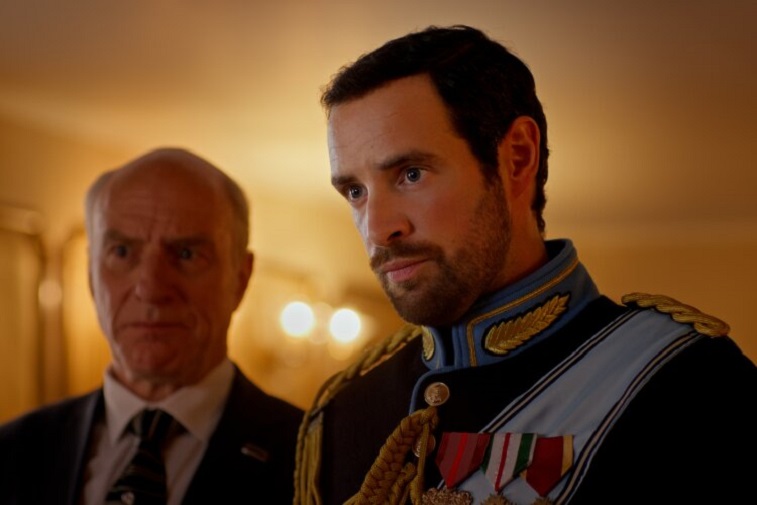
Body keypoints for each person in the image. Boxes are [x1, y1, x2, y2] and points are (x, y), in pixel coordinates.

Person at [293, 25, 757, 504]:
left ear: (517, 158)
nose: (376, 229)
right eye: (355, 191)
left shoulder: (691, 383)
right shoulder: (343, 412)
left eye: (411, 174)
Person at [0, 147, 304, 504]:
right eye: (122, 252)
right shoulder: (12, 451)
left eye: (187, 254)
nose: (151, 289)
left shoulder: (314, 457)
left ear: (240, 278)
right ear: (91, 276)